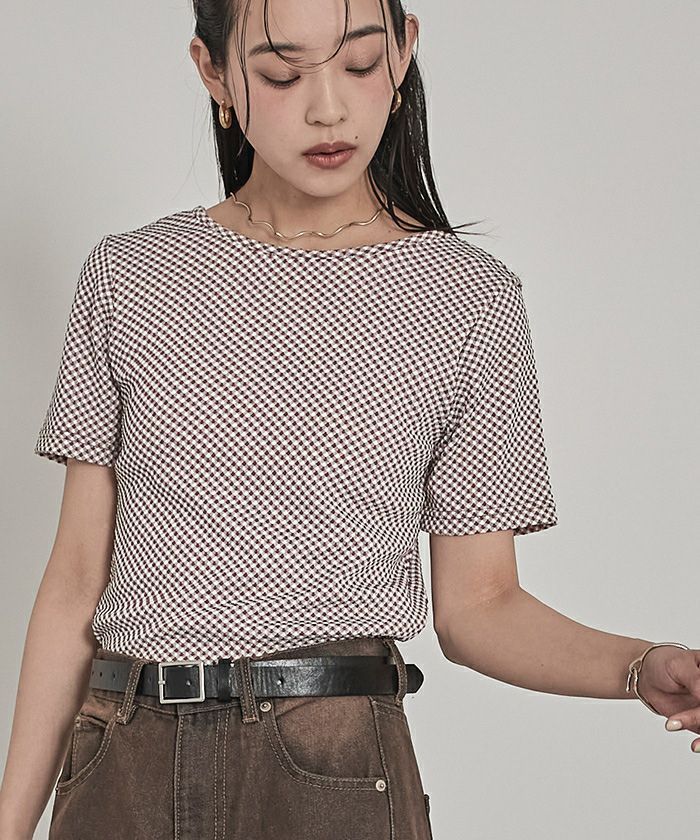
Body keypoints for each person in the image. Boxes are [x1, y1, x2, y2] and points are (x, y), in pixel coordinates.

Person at [1, 1, 699, 838]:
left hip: (329, 765)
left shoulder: (466, 300)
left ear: (403, 52)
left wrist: (640, 666)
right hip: (123, 760)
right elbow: (75, 581)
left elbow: (480, 605)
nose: (328, 108)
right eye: (281, 73)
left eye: (360, 64)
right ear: (213, 71)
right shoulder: (133, 274)